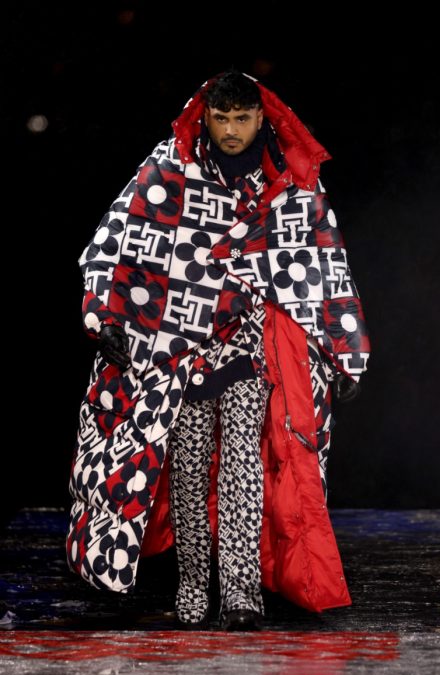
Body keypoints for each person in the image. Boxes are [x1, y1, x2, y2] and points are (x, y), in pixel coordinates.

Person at [66, 71, 370, 631]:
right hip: (180, 344)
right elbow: (114, 237)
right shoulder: (172, 167)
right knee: (185, 467)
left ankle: (240, 595)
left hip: (250, 343)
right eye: (221, 118)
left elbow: (323, 262)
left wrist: (345, 349)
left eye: (242, 118)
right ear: (204, 115)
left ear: (261, 117)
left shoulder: (289, 178)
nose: (231, 130)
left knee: (243, 465)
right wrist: (102, 312)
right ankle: (191, 587)